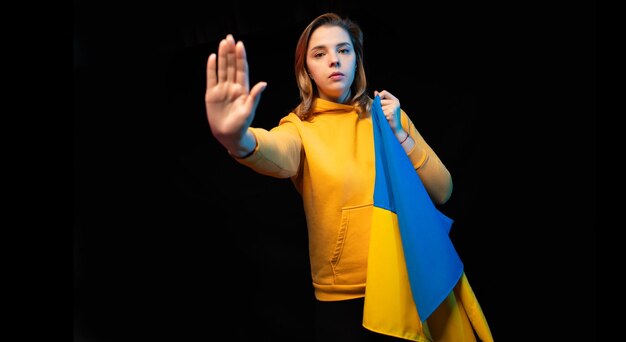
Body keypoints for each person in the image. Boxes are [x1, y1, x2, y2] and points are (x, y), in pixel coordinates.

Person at [205, 12, 493, 342]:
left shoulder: (388, 116)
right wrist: (236, 139)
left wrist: (400, 133)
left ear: (356, 58)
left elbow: (443, 191)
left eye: (343, 50)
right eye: (320, 54)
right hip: (345, 301)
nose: (334, 60)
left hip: (407, 281)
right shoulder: (299, 128)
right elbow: (277, 153)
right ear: (306, 70)